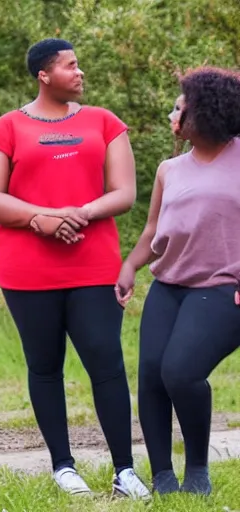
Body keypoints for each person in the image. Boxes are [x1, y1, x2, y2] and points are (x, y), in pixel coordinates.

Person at [0, 38, 149, 499]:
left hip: (94, 264)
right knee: (45, 365)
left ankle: (124, 470)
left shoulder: (104, 122)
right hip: (26, 268)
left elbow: (125, 192)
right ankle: (63, 467)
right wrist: (41, 219)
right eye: (71, 66)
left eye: (79, 65)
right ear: (44, 75)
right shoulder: (5, 128)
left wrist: (80, 213)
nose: (80, 73)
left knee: (107, 362)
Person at [116, 67, 240, 496]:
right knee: (151, 375)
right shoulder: (170, 168)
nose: (172, 115)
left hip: (224, 286)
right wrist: (129, 265)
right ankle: (164, 478)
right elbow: (153, 232)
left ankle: (198, 472)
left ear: (203, 113)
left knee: (181, 372)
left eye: (179, 108)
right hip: (169, 286)